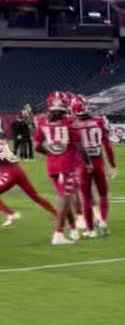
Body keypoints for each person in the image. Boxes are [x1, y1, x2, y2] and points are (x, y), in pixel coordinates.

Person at [33, 91, 90, 246]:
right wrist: (88, 162)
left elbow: (37, 146)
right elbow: (79, 146)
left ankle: (72, 229)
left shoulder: (42, 121)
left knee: (65, 197)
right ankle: (58, 233)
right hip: (68, 166)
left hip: (52, 166)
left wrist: (50, 153)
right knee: (65, 198)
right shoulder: (70, 121)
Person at [71, 95, 115, 235]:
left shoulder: (73, 125)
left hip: (82, 164)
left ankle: (90, 229)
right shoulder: (100, 121)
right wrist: (112, 164)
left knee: (86, 197)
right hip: (98, 162)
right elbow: (107, 145)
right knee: (103, 194)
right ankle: (102, 221)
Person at [0, 139, 56, 228]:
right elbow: (12, 157)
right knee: (34, 196)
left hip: (10, 172)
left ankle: (10, 214)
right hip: (18, 170)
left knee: (34, 196)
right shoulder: (1, 142)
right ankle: (57, 215)